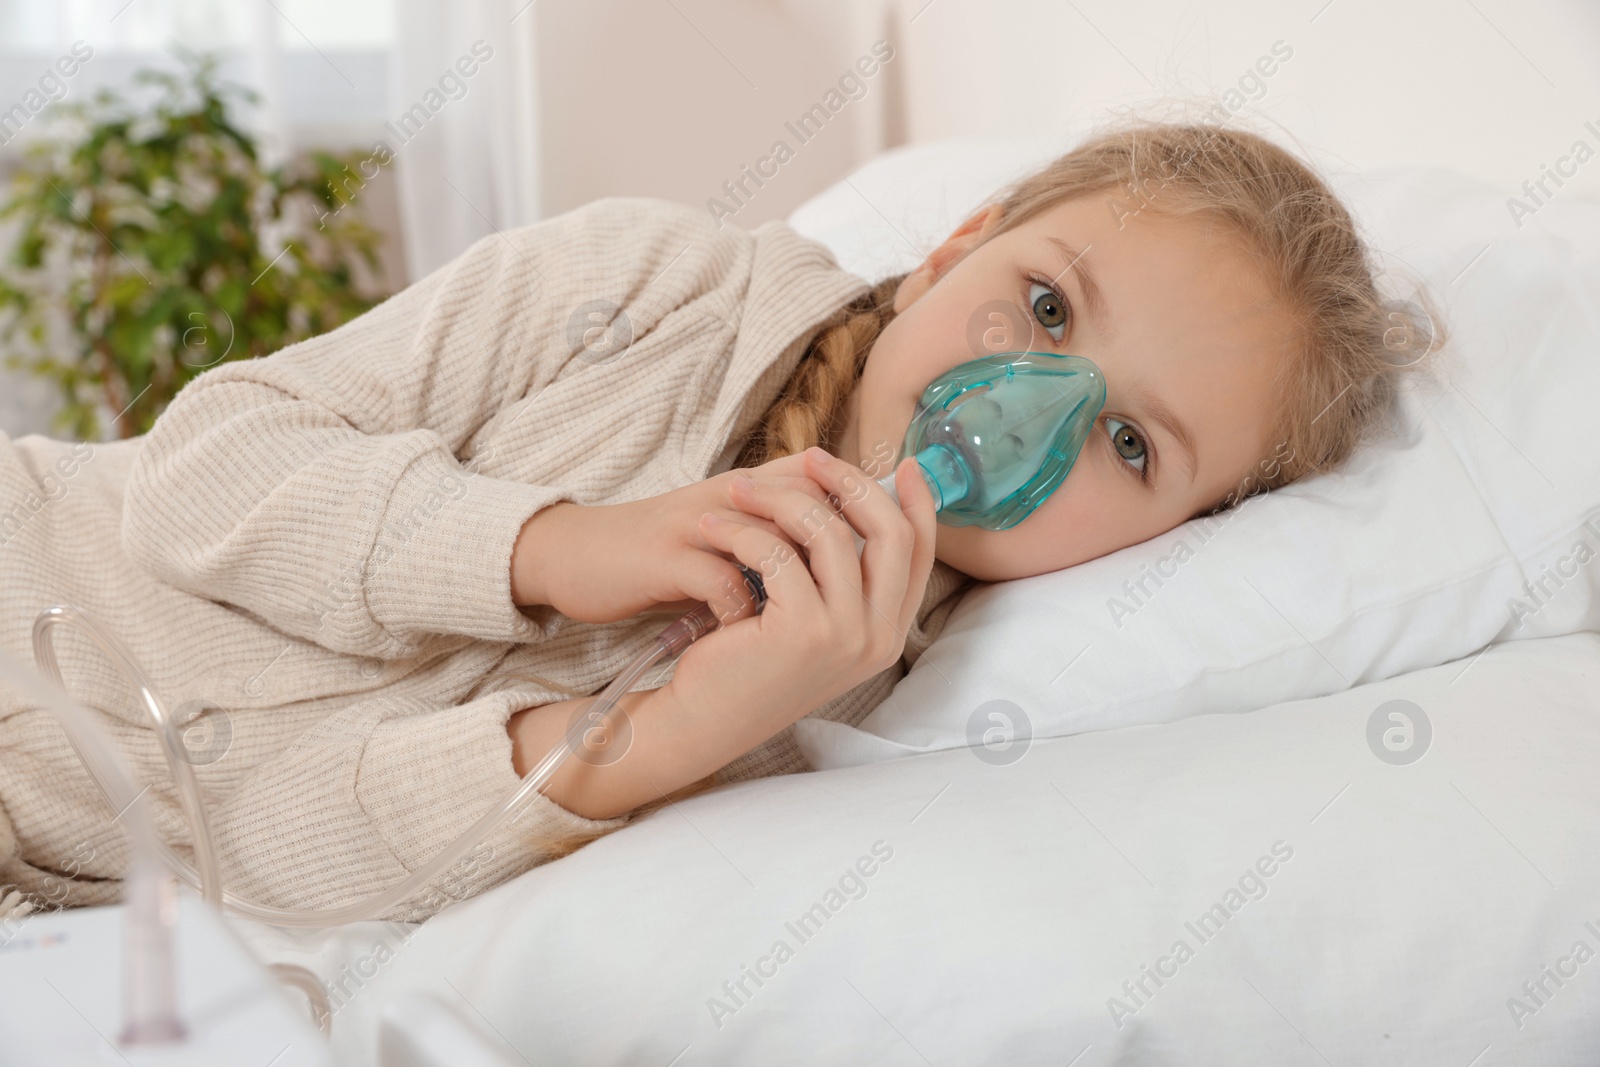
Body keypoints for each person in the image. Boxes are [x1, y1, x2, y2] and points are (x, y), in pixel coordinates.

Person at [0, 119, 1439, 921]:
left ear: (1168, 539)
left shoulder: (843, 702)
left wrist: (665, 737)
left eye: (1128, 441)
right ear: (955, 244)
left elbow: (274, 855)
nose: (1027, 411)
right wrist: (550, 548)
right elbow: (208, 463)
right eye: (1045, 304)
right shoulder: (657, 281)